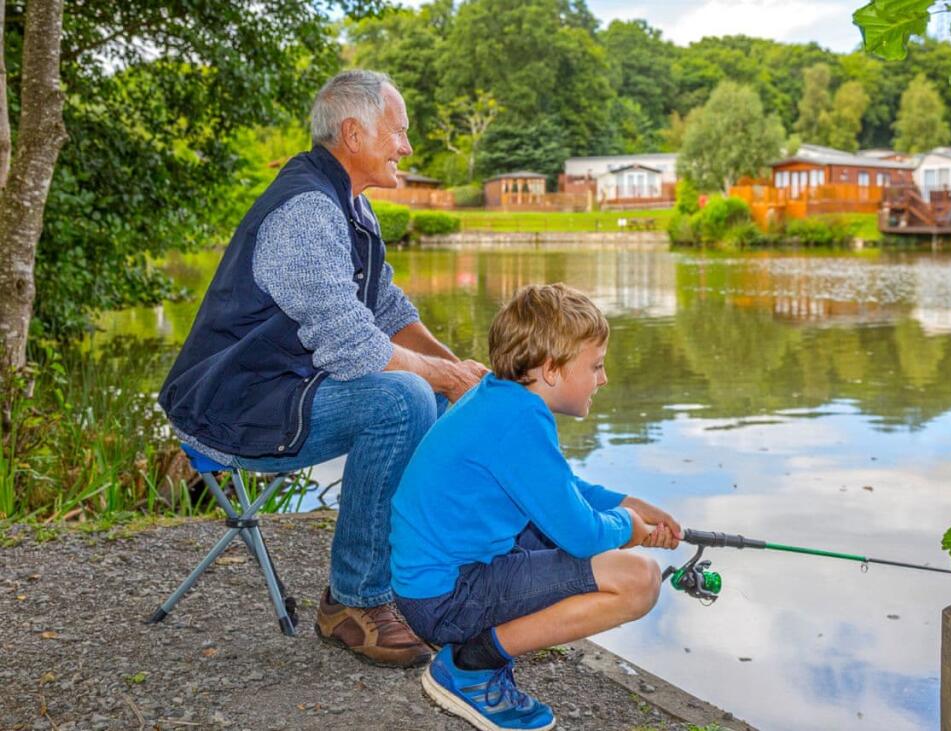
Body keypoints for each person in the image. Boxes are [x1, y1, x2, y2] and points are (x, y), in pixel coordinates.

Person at [158, 69, 487, 668]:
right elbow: (351, 344)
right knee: (405, 400)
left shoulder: (351, 205)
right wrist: (437, 378)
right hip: (233, 406)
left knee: (433, 396)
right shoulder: (308, 209)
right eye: (400, 131)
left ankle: (413, 581)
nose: (407, 148)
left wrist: (458, 371)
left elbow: (386, 309)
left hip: (283, 392)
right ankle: (352, 603)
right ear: (355, 133)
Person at [389, 284, 682, 730]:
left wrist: (627, 503)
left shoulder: (500, 398)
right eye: (596, 366)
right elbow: (582, 535)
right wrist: (628, 527)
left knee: (566, 535)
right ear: (551, 369)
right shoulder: (520, 421)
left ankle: (475, 655)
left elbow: (556, 488)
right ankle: (471, 666)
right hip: (446, 597)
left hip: (433, 583)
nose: (603, 379)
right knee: (638, 580)